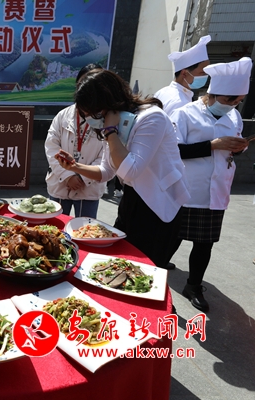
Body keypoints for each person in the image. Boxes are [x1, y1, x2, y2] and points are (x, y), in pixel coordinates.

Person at [55, 69, 190, 271]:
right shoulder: (113, 123)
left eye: (94, 113)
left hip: (159, 206)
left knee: (146, 271)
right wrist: (75, 167)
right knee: (121, 266)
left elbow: (130, 171)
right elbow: (106, 172)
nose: (91, 119)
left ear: (110, 102)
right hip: (132, 199)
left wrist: (110, 132)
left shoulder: (151, 118)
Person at [168, 57, 252, 312]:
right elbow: (173, 150)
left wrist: (238, 147)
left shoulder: (234, 116)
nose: (233, 106)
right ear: (213, 94)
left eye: (238, 101)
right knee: (172, 239)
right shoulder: (185, 114)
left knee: (205, 244)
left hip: (216, 192)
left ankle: (193, 285)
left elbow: (233, 142)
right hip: (187, 190)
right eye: (230, 100)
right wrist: (212, 145)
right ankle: (155, 278)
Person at [45, 64, 107, 218]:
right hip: (61, 184)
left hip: (89, 189)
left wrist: (83, 177)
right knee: (55, 226)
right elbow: (51, 147)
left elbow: (106, 156)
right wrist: (68, 176)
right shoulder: (62, 115)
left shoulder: (106, 118)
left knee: (86, 228)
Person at [154, 35, 211, 115]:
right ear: (184, 73)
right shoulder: (181, 103)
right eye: (202, 73)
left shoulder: (162, 91)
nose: (206, 76)